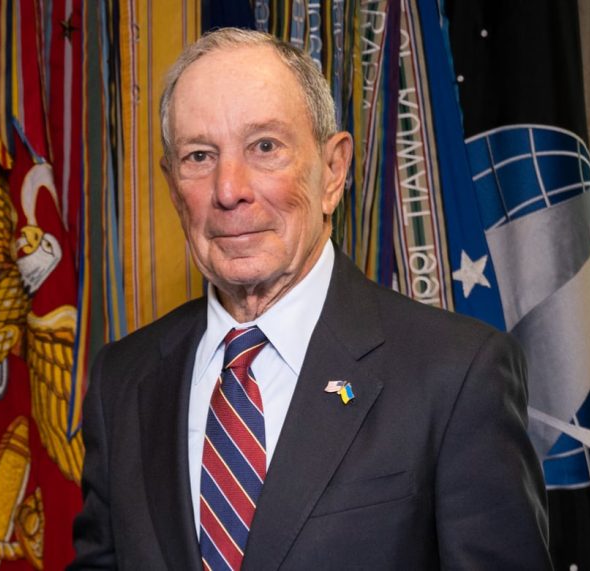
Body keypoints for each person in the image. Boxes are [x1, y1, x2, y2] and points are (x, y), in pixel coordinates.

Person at [69, 27, 551, 570]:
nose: (228, 190)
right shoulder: (121, 381)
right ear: (173, 186)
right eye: (199, 156)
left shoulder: (456, 374)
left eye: (265, 147)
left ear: (333, 171)